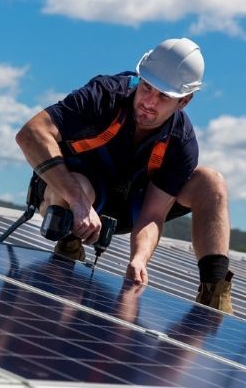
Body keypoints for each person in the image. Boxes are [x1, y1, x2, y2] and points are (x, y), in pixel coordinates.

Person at [15, 38, 233, 314]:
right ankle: (68, 245)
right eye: (147, 88)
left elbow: (153, 214)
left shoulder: (181, 142)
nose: (149, 102)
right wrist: (79, 202)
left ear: (184, 101)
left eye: (163, 96)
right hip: (71, 195)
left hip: (129, 208)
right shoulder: (104, 95)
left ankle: (214, 297)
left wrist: (139, 259)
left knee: (211, 182)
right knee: (81, 188)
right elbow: (31, 133)